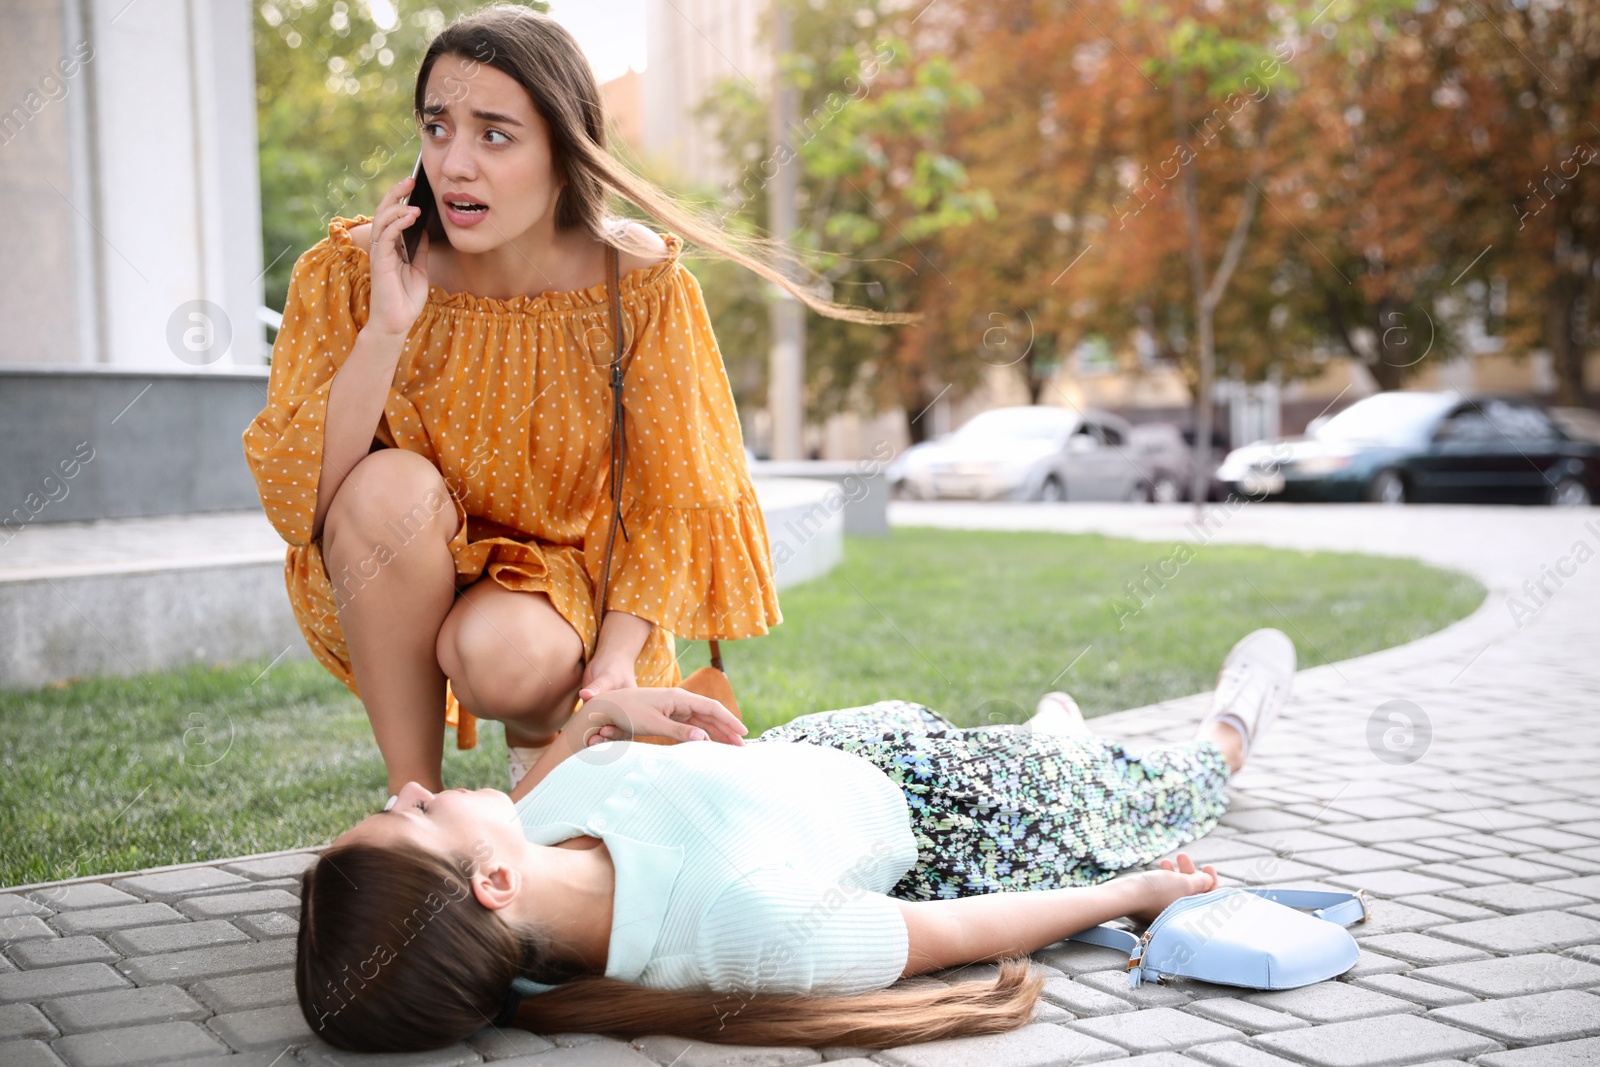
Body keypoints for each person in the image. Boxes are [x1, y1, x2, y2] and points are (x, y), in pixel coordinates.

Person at [241, 5, 909, 800]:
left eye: (494, 134)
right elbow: (305, 503)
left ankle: (550, 742)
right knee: (386, 489)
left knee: (501, 651)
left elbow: (670, 501)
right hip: (414, 559)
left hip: (567, 593)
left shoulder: (642, 287)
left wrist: (617, 659)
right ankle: (413, 801)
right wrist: (388, 326)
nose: (455, 163)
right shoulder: (354, 271)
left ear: (563, 147)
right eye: (437, 127)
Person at [294, 629, 1298, 1052]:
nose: (415, 783)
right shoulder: (747, 928)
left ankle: (1056, 740)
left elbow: (567, 765)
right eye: (412, 813)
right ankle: (1227, 730)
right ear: (493, 883)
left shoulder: (534, 852)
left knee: (1061, 756)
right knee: (1168, 787)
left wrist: (609, 712)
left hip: (842, 746)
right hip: (973, 812)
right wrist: (1125, 894)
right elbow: (954, 929)